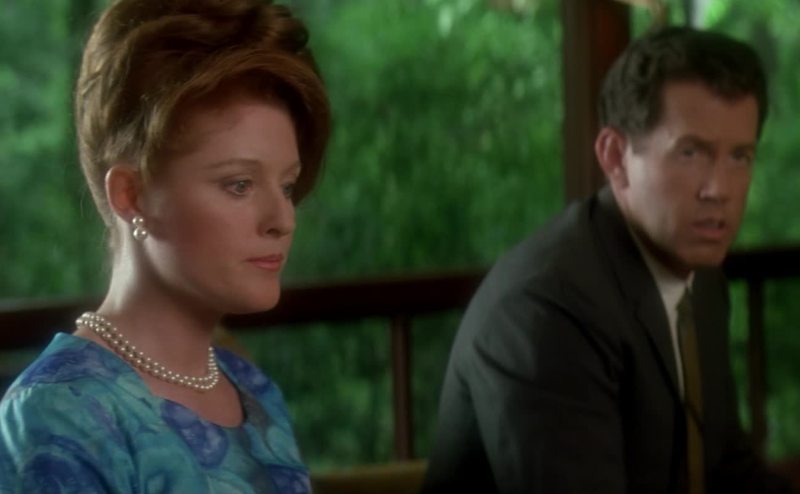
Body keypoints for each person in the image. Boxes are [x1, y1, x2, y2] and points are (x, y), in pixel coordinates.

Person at [423, 26, 795, 493]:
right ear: (615, 157)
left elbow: (727, 469)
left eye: (740, 157)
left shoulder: (700, 278)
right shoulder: (546, 309)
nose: (718, 189)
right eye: (690, 152)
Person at [0, 0, 329, 492]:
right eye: (239, 184)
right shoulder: (59, 415)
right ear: (131, 195)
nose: (282, 219)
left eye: (286, 186)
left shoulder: (254, 390)